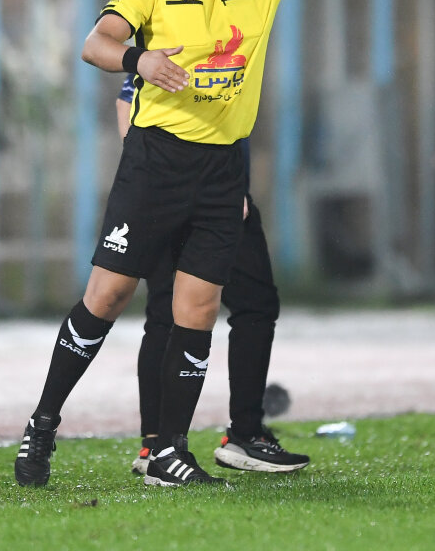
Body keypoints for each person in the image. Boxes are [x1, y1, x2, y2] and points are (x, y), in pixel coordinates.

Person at [14, 0, 435, 487]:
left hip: (222, 168)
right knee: (107, 298)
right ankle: (43, 423)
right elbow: (95, 43)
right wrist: (139, 59)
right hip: (155, 162)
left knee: (199, 308)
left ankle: (167, 453)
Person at [117, 70, 308, 476]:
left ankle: (226, 436)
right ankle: (169, 445)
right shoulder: (181, 39)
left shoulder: (229, 41)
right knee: (176, 313)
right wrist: (170, 187)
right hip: (191, 195)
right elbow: (127, 101)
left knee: (249, 306)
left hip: (211, 191)